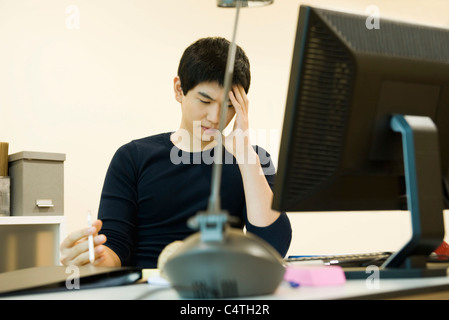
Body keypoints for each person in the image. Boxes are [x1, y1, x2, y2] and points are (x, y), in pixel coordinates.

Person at [60, 37, 292, 268]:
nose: (214, 117)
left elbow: (272, 247)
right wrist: (95, 257)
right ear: (179, 89)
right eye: (205, 100)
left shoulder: (252, 161)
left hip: (219, 289)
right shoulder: (133, 158)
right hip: (148, 288)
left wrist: (245, 155)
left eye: (229, 106)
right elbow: (115, 247)